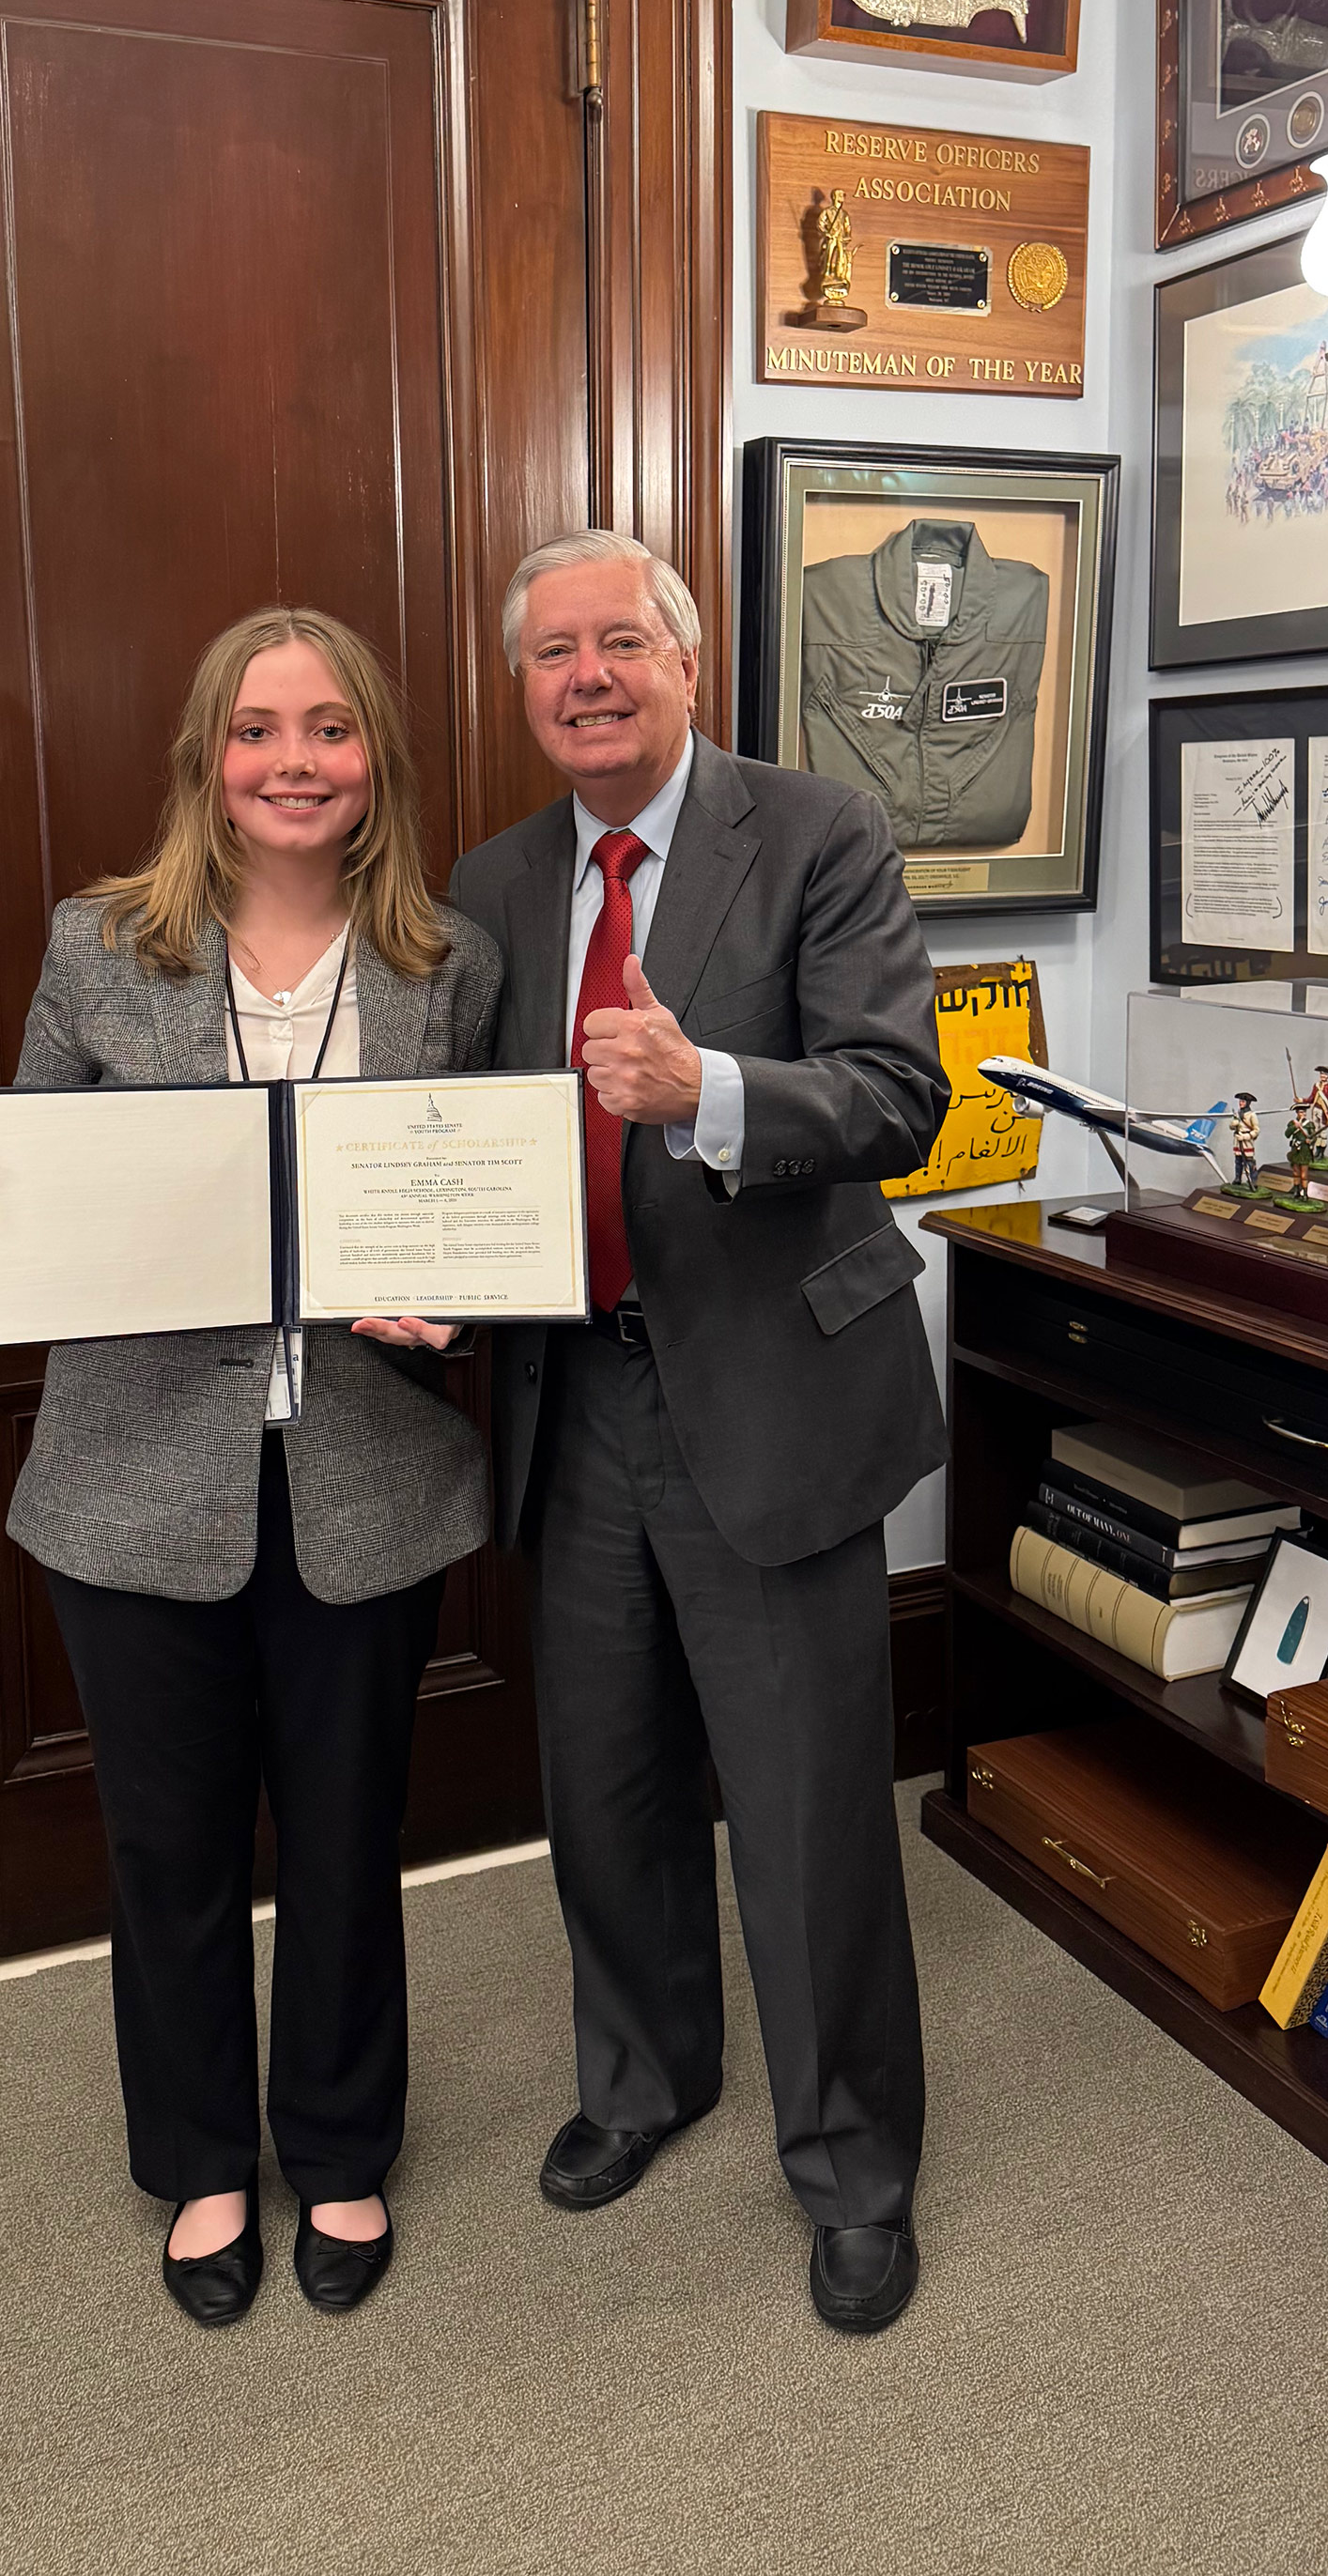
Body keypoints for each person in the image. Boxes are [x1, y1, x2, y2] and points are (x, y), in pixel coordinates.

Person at [385, 526, 948, 2334]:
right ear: (522, 689)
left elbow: (901, 1097)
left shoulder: (818, 832)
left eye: (620, 641)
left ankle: (852, 2165)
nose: (588, 677)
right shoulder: (493, 878)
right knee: (606, 1784)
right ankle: (644, 2078)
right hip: (575, 1390)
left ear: (687, 662)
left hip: (771, 1389)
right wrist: (433, 1273)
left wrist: (711, 1088)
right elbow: (463, 1142)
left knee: (802, 1808)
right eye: (553, 653)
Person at [0, 609, 501, 2331]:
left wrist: (462, 1302)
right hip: (134, 1484)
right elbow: (26, 1201)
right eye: (258, 730)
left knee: (347, 1842)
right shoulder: (103, 947)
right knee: (167, 1854)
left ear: (375, 757)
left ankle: (339, 2145)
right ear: (207, 758)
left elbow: (483, 1202)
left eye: (329, 728)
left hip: (368, 1474)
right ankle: (202, 2164)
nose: (293, 762)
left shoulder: (449, 962)